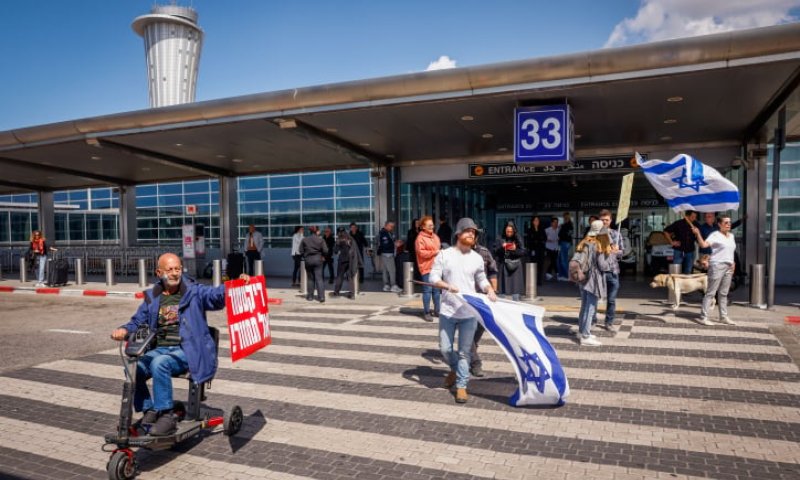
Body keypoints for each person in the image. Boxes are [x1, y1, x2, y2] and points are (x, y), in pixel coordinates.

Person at [110, 253, 250, 436]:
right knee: (132, 369)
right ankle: (150, 411)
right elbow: (137, 321)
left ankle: (167, 416)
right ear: (159, 272)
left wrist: (235, 284)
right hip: (160, 349)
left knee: (159, 364)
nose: (175, 273)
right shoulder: (152, 296)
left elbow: (215, 296)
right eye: (170, 270)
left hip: (187, 351)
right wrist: (124, 330)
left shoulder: (194, 291)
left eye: (178, 269)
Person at [430, 217, 497, 404]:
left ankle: (461, 386)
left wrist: (489, 289)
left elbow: (482, 278)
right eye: (468, 231)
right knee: (445, 348)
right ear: (458, 233)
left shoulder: (476, 258)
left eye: (474, 232)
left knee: (465, 352)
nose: (472, 234)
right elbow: (433, 276)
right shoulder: (445, 255)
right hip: (448, 311)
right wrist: (445, 285)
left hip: (469, 313)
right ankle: (456, 369)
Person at [693, 215, 737, 326]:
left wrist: (733, 262)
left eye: (729, 222)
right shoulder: (715, 235)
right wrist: (698, 233)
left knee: (724, 293)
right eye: (726, 222)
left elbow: (731, 251)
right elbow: (703, 245)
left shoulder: (731, 236)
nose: (729, 224)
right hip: (717, 265)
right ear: (720, 224)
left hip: (729, 267)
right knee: (711, 293)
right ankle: (704, 317)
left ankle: (723, 316)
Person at [575, 221, 612, 346]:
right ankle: (585, 336)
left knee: (584, 306)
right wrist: (610, 258)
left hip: (583, 277)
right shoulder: (598, 244)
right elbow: (603, 265)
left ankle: (581, 331)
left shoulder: (585, 242)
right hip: (593, 279)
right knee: (590, 308)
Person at [470, 227, 499, 378]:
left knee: (477, 333)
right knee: (468, 333)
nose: (470, 236)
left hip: (482, 300)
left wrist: (494, 290)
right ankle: (475, 363)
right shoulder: (458, 253)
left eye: (473, 233)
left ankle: (469, 351)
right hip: (466, 301)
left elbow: (493, 271)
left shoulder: (484, 252)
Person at [593, 209, 623, 333]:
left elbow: (622, 252)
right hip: (598, 271)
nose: (605, 222)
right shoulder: (593, 234)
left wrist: (617, 251)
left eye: (607, 220)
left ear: (611, 220)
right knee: (593, 298)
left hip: (613, 271)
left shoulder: (617, 234)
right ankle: (592, 321)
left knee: (611, 300)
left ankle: (609, 322)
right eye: (603, 220)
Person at [415, 215, 441, 322]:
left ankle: (437, 310)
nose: (432, 227)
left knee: (437, 291)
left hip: (437, 268)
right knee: (427, 291)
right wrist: (434, 252)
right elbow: (421, 253)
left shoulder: (435, 236)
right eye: (429, 225)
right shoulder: (420, 238)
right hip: (426, 268)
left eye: (432, 225)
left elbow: (439, 248)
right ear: (423, 227)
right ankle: (426, 312)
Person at [495, 223, 526, 301]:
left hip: (515, 266)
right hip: (504, 265)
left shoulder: (517, 238)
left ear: (514, 231)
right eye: (507, 231)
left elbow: (523, 252)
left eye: (511, 231)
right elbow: (496, 252)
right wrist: (503, 248)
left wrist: (514, 249)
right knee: (502, 289)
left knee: (515, 290)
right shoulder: (500, 238)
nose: (509, 233)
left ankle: (516, 305)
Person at [300, 226, 328, 302]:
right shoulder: (321, 240)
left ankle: (310, 297)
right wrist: (323, 256)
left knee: (310, 279)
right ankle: (321, 297)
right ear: (317, 231)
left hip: (308, 260)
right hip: (318, 260)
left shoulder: (304, 240)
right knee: (319, 279)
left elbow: (301, 251)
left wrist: (305, 257)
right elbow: (325, 251)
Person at [332, 227, 360, 299]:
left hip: (342, 261)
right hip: (351, 260)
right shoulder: (350, 238)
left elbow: (335, 251)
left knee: (339, 277)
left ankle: (336, 292)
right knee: (350, 277)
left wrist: (336, 248)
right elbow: (355, 249)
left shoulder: (339, 240)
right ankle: (352, 294)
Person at [377, 221, 402, 293]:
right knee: (392, 270)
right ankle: (393, 285)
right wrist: (395, 244)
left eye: (393, 226)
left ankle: (386, 285)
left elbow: (390, 241)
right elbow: (385, 244)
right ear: (386, 225)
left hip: (386, 253)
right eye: (391, 226)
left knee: (385, 270)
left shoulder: (388, 232)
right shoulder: (384, 233)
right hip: (387, 254)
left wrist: (396, 242)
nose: (392, 228)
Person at [525, 216, 546, 286]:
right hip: (533, 250)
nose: (536, 222)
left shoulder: (542, 229)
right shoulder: (530, 230)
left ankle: (539, 281)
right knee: (533, 265)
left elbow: (544, 238)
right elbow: (529, 240)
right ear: (533, 222)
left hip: (540, 250)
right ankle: (533, 280)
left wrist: (539, 240)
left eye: (538, 221)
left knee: (540, 265)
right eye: (535, 220)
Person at [557, 212, 574, 281]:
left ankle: (567, 276)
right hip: (565, 243)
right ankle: (562, 275)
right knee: (561, 259)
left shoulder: (567, 225)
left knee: (563, 260)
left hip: (564, 243)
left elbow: (562, 234)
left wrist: (561, 228)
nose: (564, 218)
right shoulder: (569, 225)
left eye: (564, 217)